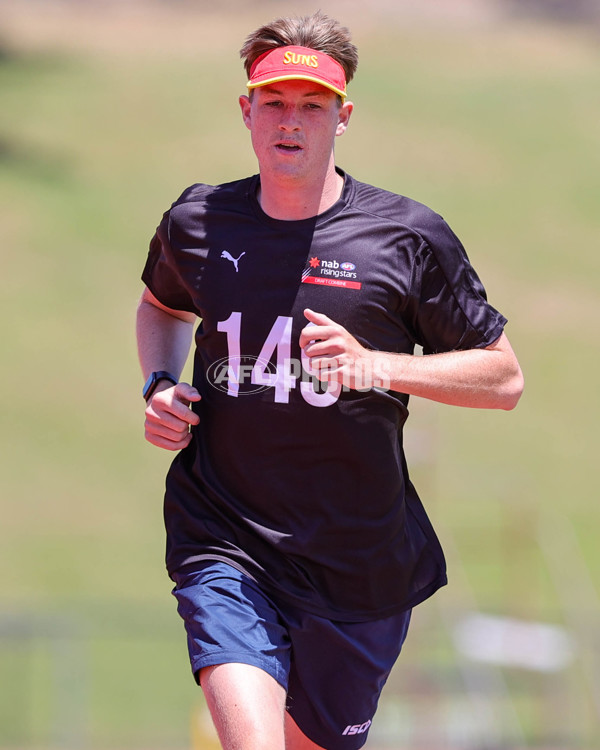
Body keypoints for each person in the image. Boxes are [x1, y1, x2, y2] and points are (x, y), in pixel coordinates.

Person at [136, 11, 524, 750]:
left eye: (311, 106)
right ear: (246, 110)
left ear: (342, 117)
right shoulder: (198, 222)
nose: (291, 122)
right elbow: (160, 305)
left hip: (359, 565)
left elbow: (503, 377)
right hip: (226, 536)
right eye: (274, 102)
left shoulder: (406, 238)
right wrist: (158, 380)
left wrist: (375, 366)